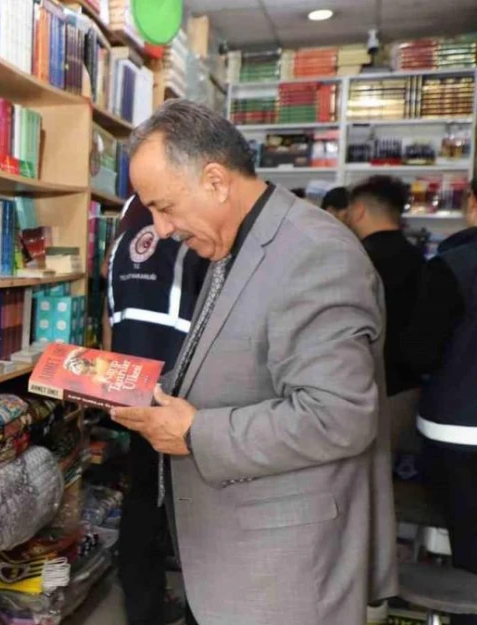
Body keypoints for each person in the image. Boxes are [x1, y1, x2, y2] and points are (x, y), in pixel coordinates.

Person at [111, 100, 396, 625]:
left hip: (287, 569)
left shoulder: (314, 253)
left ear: (216, 181)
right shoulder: (236, 241)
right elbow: (237, 355)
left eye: (165, 206)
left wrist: (196, 433)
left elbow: (339, 416)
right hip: (238, 554)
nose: (161, 228)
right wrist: (140, 387)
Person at [107, 196, 208, 625]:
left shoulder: (122, 238)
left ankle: (142, 609)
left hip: (132, 382)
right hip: (184, 391)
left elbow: (112, 314)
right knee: (191, 508)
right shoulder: (193, 234)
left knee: (143, 496)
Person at [403, 179, 477, 625]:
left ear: (472, 205)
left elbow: (419, 352)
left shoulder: (454, 265)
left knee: (469, 554)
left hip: (458, 433)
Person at [331, 176, 424, 452]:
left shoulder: (355, 259)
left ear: (358, 211)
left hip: (366, 386)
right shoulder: (419, 258)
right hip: (407, 388)